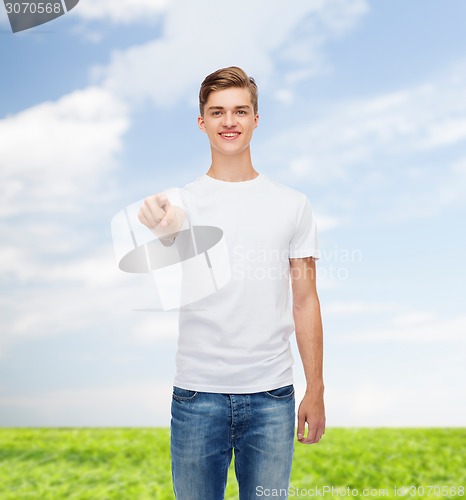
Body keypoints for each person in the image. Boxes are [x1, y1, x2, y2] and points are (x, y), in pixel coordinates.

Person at [138, 66, 325, 500]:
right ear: (201, 122)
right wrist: (160, 224)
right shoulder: (182, 202)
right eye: (217, 112)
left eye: (240, 111)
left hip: (272, 398)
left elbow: (305, 301)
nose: (229, 121)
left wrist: (315, 388)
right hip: (197, 397)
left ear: (256, 119)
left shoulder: (293, 205)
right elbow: (167, 231)